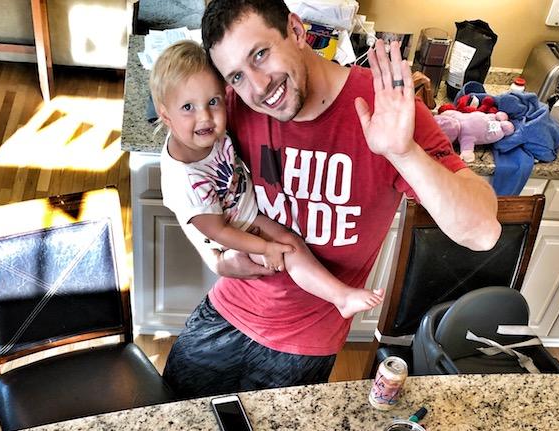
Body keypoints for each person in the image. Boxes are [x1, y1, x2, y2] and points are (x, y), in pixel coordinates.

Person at [161, 0, 501, 398]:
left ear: (297, 30)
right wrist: (216, 259)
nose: (257, 86)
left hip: (305, 341)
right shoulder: (233, 107)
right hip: (227, 309)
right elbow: (190, 189)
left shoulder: (382, 111)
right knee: (169, 415)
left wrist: (403, 153)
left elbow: (483, 233)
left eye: (260, 54)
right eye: (236, 75)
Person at [150, 41, 385, 320]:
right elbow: (217, 232)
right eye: (188, 107)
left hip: (243, 212)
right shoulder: (186, 180)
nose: (205, 117)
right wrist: (264, 247)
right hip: (235, 232)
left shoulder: (206, 133)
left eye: (213, 102)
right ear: (165, 116)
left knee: (289, 244)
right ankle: (340, 296)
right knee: (288, 247)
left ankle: (338, 294)